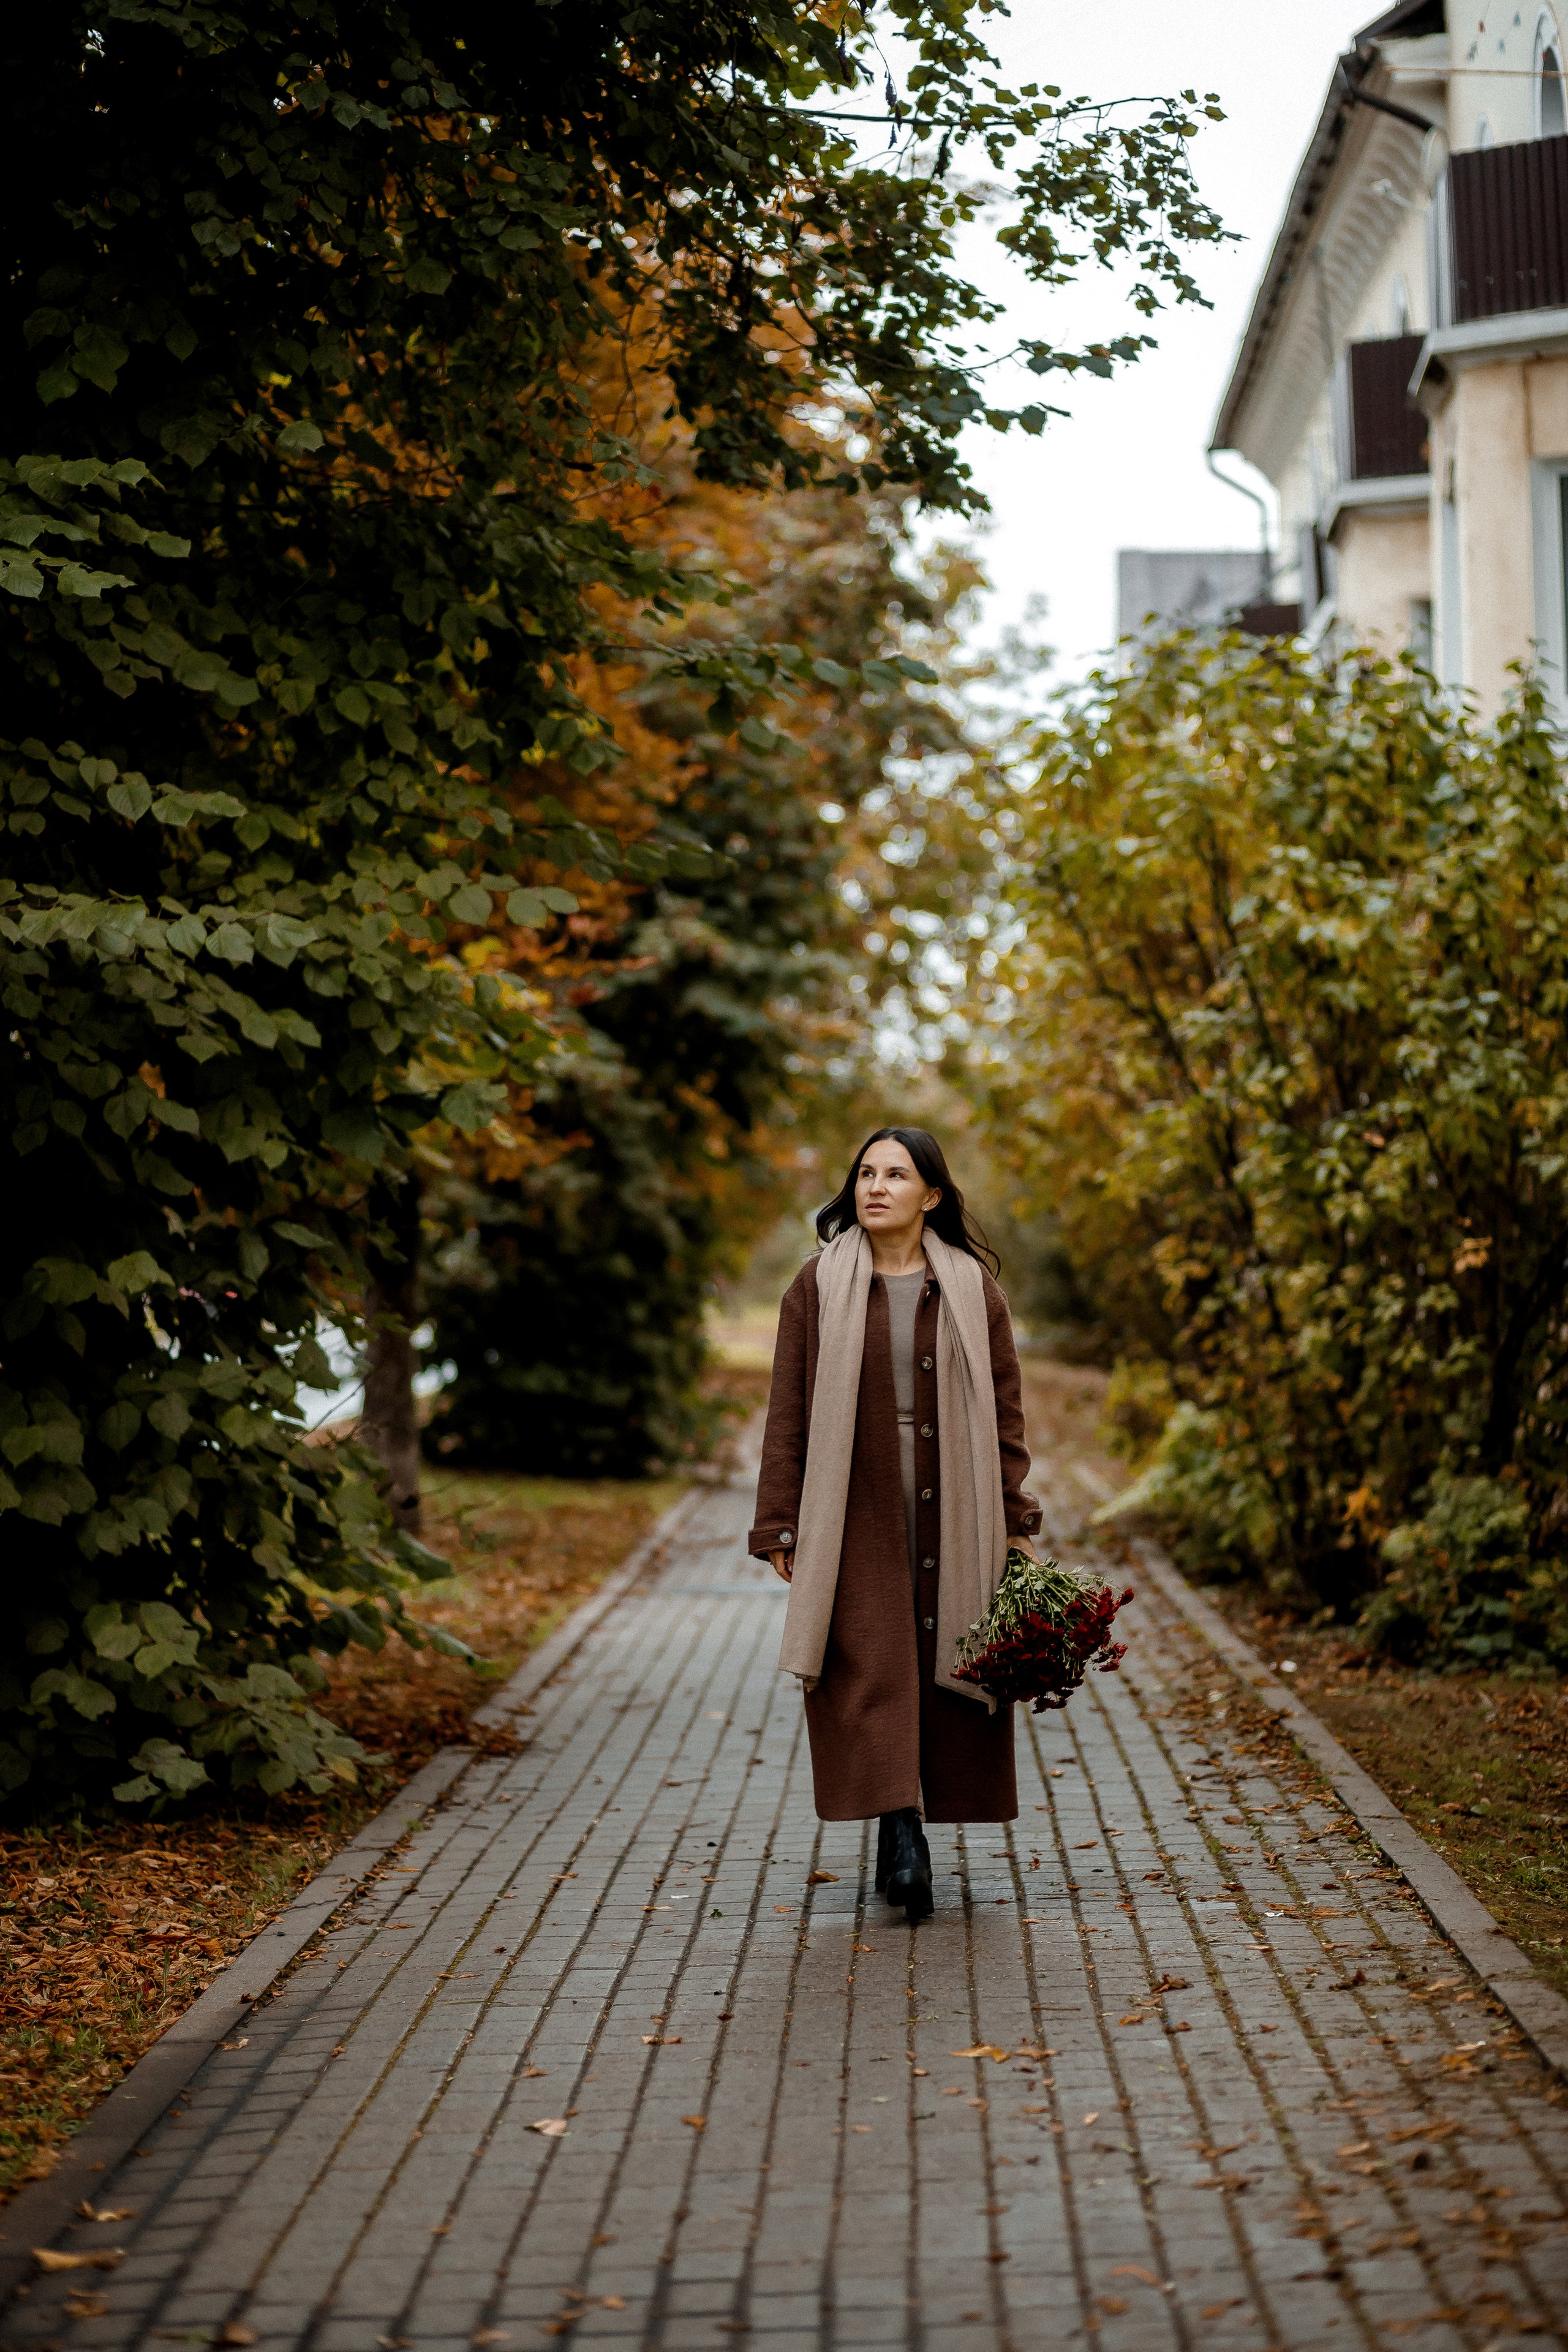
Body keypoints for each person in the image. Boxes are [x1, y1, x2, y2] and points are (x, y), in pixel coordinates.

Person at [748, 1127, 1042, 1921]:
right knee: (873, 1669)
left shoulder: (974, 1290)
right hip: (857, 1511)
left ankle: (907, 1826)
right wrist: (779, 1522)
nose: (875, 1187)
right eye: (866, 1174)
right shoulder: (816, 1286)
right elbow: (789, 1413)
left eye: (896, 1175)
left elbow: (1007, 1415)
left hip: (959, 1510)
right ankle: (901, 1832)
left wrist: (1016, 1516)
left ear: (933, 1195)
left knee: (946, 1666)